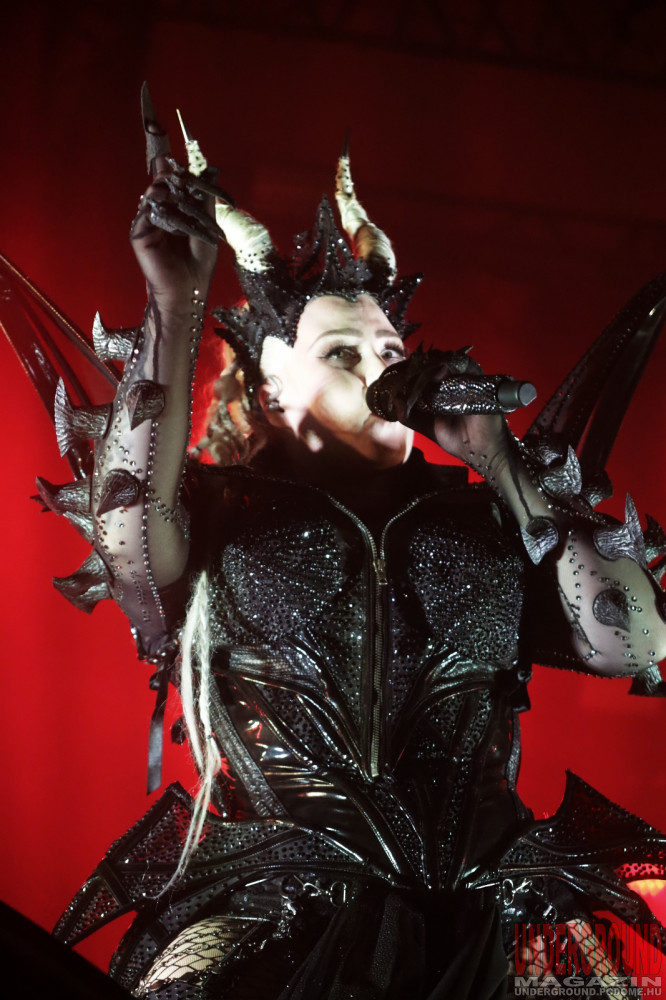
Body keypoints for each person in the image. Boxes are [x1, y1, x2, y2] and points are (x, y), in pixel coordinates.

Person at [46, 90, 666, 999]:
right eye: (342, 353)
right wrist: (176, 305)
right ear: (272, 381)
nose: (378, 368)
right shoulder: (216, 511)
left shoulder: (488, 515)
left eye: (389, 352)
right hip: (278, 920)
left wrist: (502, 463)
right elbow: (130, 534)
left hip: (489, 924)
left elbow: (637, 643)